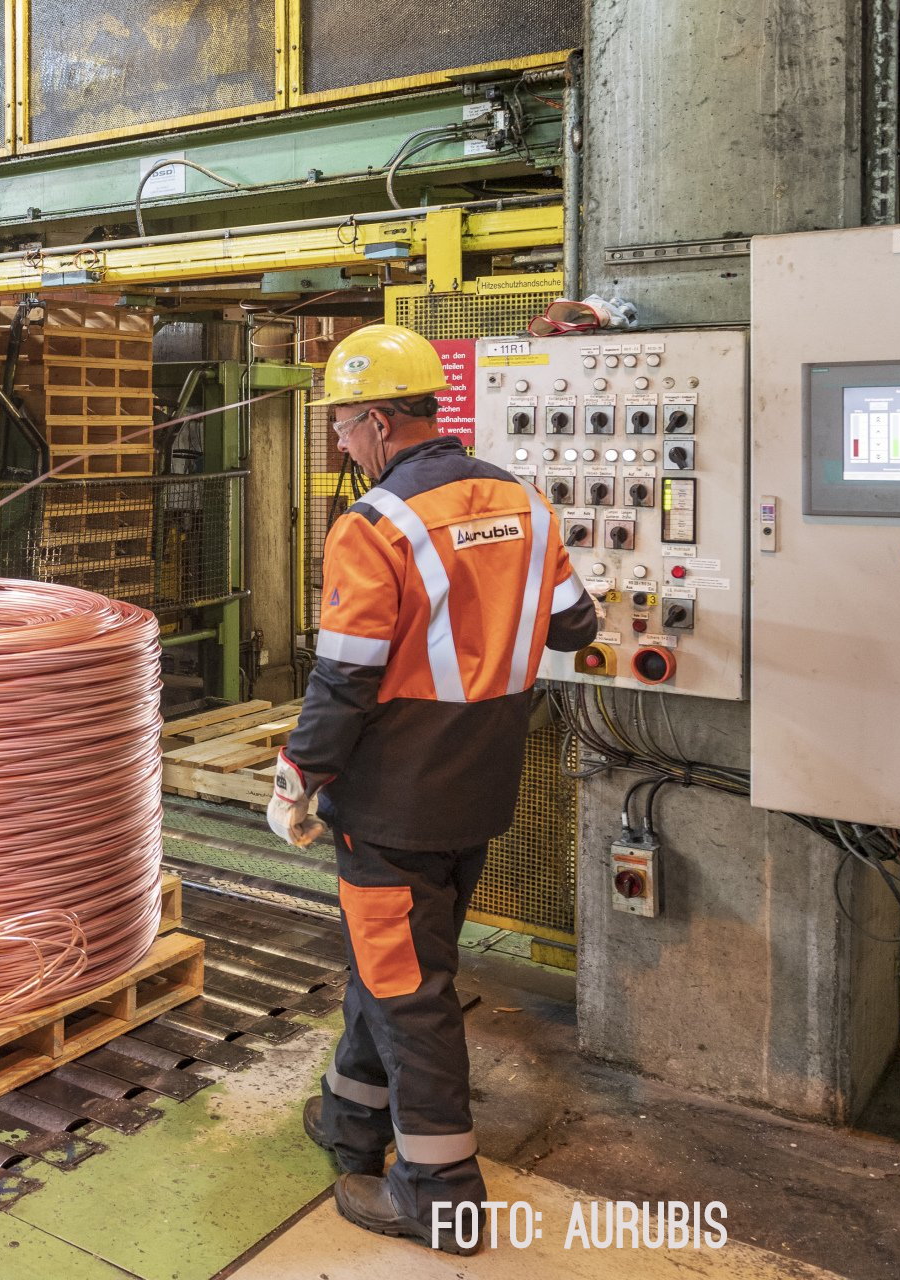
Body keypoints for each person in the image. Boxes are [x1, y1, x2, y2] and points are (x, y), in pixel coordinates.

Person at [270, 325, 599, 1253]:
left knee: (409, 992)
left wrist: (298, 777)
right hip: (480, 790)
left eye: (342, 425)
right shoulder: (523, 501)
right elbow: (576, 626)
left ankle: (440, 1196)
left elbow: (344, 679)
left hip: (393, 801)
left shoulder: (374, 526)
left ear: (379, 420)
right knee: (393, 966)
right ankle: (351, 1120)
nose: (341, 443)